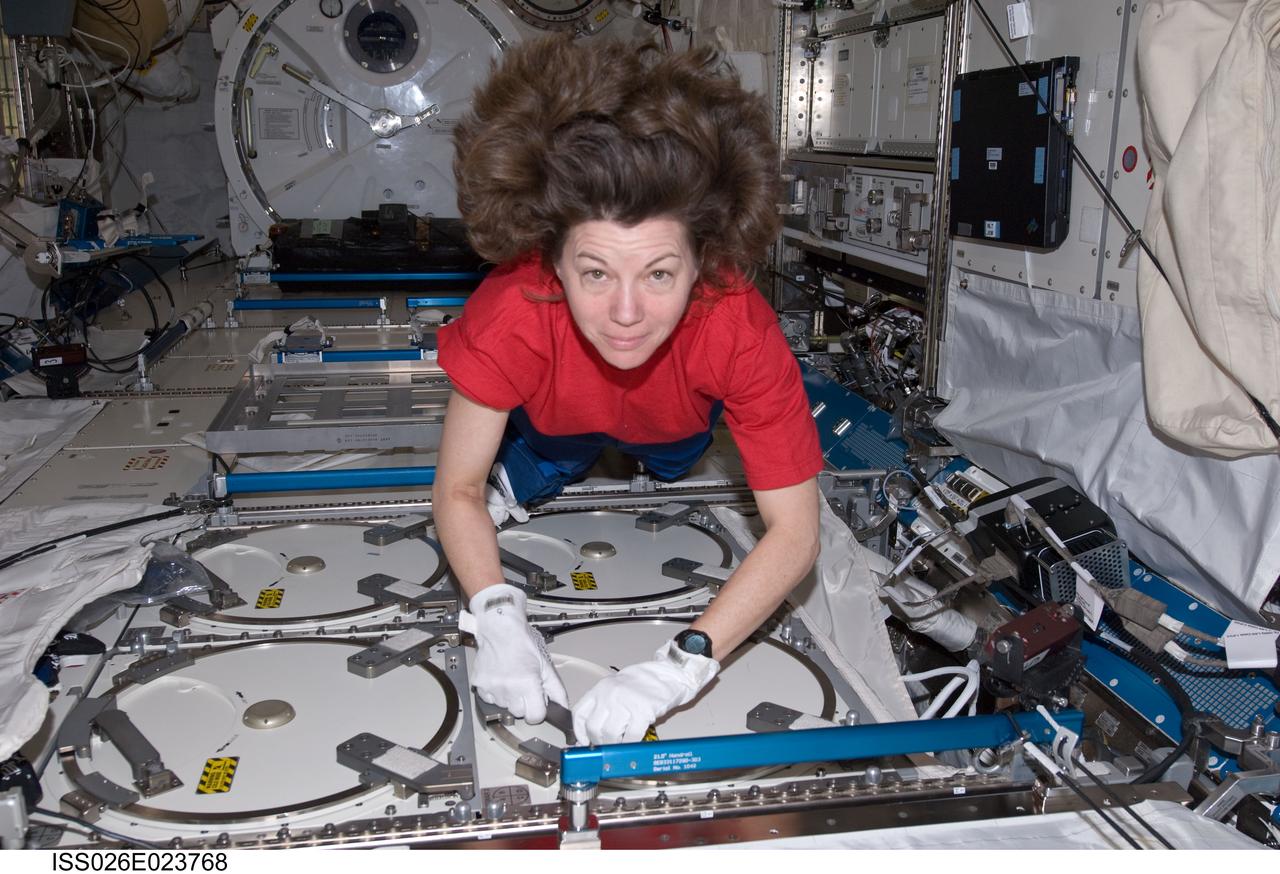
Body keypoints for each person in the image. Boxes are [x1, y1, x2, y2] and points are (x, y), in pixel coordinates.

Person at [433, 35, 823, 746]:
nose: (625, 314)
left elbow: (796, 532)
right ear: (550, 258)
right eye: (595, 273)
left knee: (672, 463)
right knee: (541, 464)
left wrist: (683, 665)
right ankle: (543, 470)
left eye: (659, 275)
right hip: (550, 427)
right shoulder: (512, 307)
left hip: (676, 435)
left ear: (703, 259)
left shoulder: (738, 323)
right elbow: (458, 488)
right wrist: (492, 611)